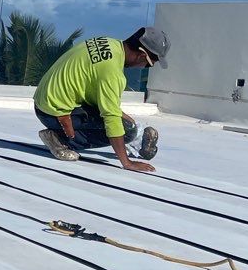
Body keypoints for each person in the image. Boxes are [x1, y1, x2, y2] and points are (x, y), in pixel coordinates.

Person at [33, 27, 169, 173]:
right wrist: (127, 163)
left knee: (124, 121)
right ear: (142, 55)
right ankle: (59, 139)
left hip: (45, 101)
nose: (145, 67)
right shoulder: (112, 73)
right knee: (125, 130)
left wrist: (118, 112)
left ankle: (136, 139)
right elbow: (111, 119)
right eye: (150, 64)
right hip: (54, 112)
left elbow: (90, 85)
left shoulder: (108, 43)